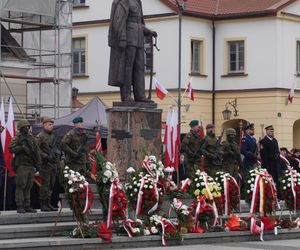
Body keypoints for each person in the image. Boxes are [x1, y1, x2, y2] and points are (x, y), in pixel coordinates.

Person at [108, 0, 157, 102]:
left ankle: (140, 96)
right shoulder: (123, 1)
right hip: (128, 39)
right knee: (127, 68)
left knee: (139, 68)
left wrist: (148, 31)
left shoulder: (137, 2)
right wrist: (122, 38)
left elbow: (139, 23)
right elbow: (118, 21)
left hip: (139, 38)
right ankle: (126, 95)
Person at [9, 120, 41, 213]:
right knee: (21, 185)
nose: (27, 128)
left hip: (31, 164)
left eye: (28, 127)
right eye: (25, 127)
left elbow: (36, 151)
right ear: (21, 128)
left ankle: (27, 205)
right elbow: (11, 148)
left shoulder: (31, 138)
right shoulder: (17, 137)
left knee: (29, 186)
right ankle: (20, 205)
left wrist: (38, 164)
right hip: (21, 165)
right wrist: (21, 148)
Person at [36, 117, 60, 212]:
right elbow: (36, 149)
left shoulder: (53, 136)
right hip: (44, 164)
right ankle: (43, 204)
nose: (51, 126)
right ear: (44, 125)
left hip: (53, 164)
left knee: (51, 185)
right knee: (45, 185)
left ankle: (48, 202)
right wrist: (45, 156)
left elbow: (56, 149)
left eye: (52, 124)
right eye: (49, 125)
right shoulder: (40, 136)